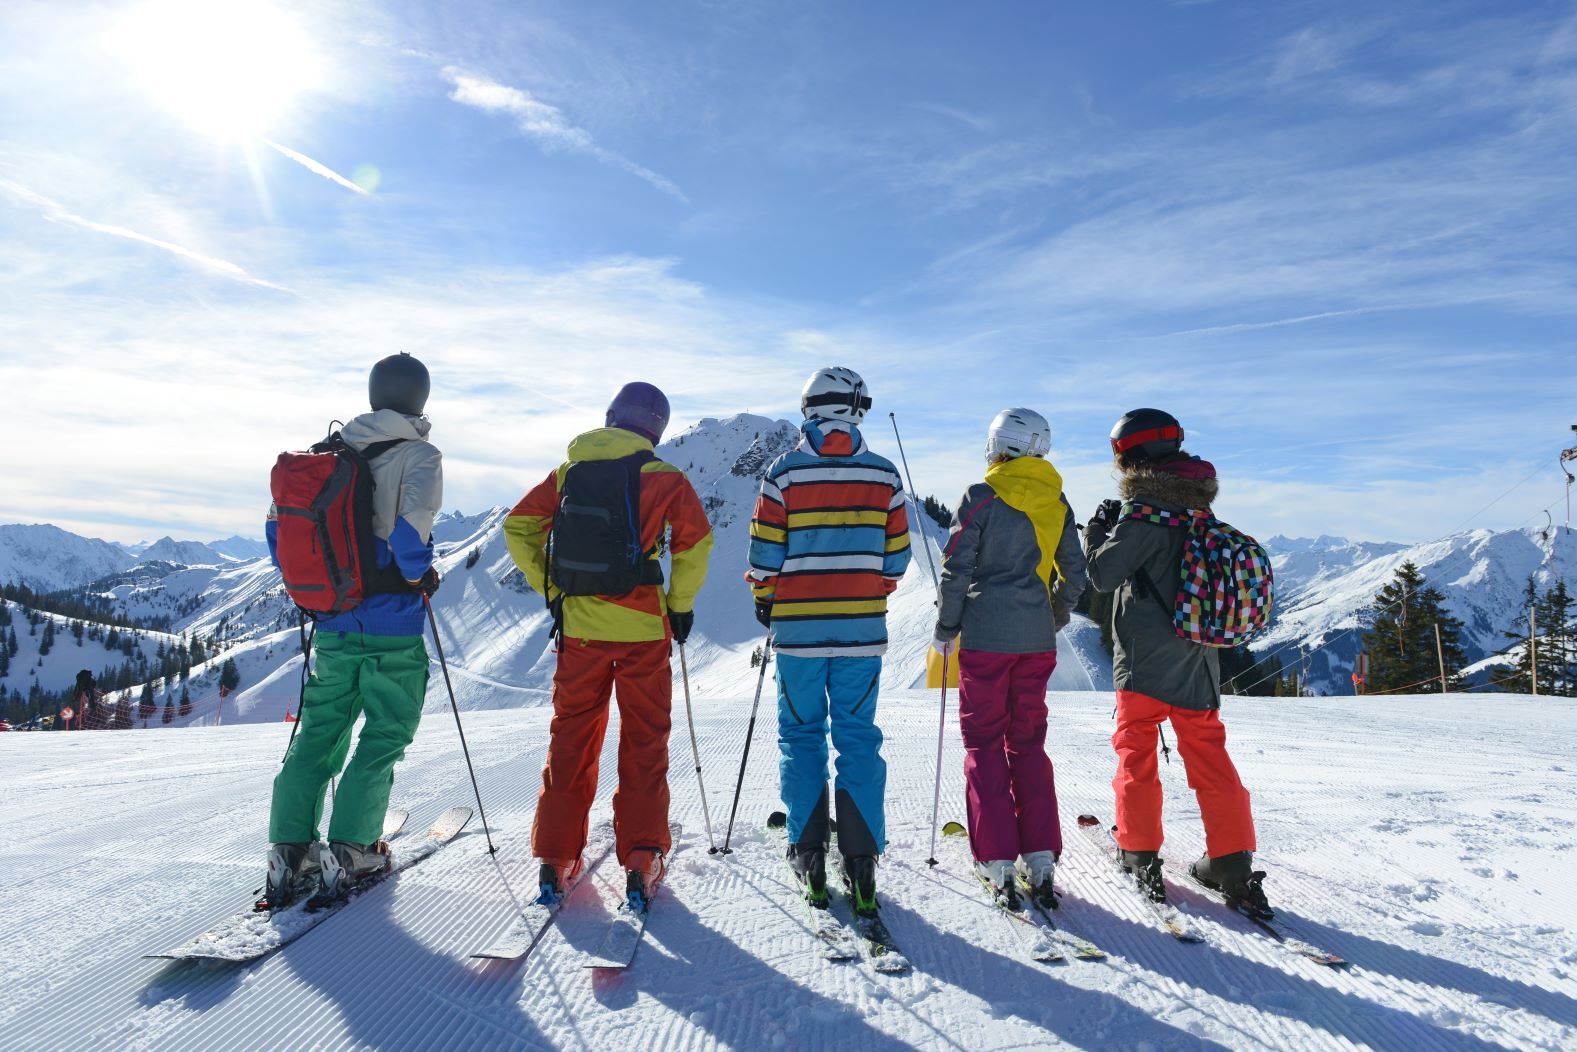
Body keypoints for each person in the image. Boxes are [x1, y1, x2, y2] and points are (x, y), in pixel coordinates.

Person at [505, 382, 713, 909]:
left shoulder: (568, 473)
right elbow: (695, 542)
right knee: (644, 741)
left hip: (580, 629)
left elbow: (519, 527)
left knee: (571, 737)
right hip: (643, 631)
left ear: (611, 416)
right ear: (656, 429)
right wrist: (679, 604)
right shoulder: (665, 477)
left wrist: (554, 588)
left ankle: (555, 858)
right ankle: (641, 858)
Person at [263, 352, 444, 908]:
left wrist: (327, 587)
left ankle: (290, 852)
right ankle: (353, 849)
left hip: (334, 621)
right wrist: (420, 575)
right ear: (419, 398)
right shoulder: (420, 455)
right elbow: (410, 538)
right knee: (384, 733)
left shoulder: (323, 456)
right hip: (393, 625)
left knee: (319, 733)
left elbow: (278, 537)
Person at [1082, 408, 1266, 912]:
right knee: (1211, 758)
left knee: (1136, 753)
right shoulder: (1197, 509)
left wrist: (1097, 530)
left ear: (1129, 453)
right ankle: (1231, 863)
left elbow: (1102, 574)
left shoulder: (1144, 513)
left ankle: (1139, 851)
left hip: (1144, 660)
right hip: (1199, 657)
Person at [746, 366, 911, 914]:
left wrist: (765, 594)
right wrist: (871, 585)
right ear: (857, 409)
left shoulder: (783, 472)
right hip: (862, 631)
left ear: (810, 407)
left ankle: (809, 853)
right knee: (858, 738)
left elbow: (764, 553)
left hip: (798, 633)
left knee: (801, 736)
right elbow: (897, 559)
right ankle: (861, 863)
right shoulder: (884, 474)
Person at [932, 408, 1086, 905]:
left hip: (985, 639)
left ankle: (996, 856)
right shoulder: (1056, 499)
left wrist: (946, 627)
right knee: (1028, 743)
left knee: (984, 742)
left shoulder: (982, 496)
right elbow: (1075, 572)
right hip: (1036, 641)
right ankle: (1039, 853)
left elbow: (956, 568)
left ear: (999, 445)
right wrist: (1053, 614)